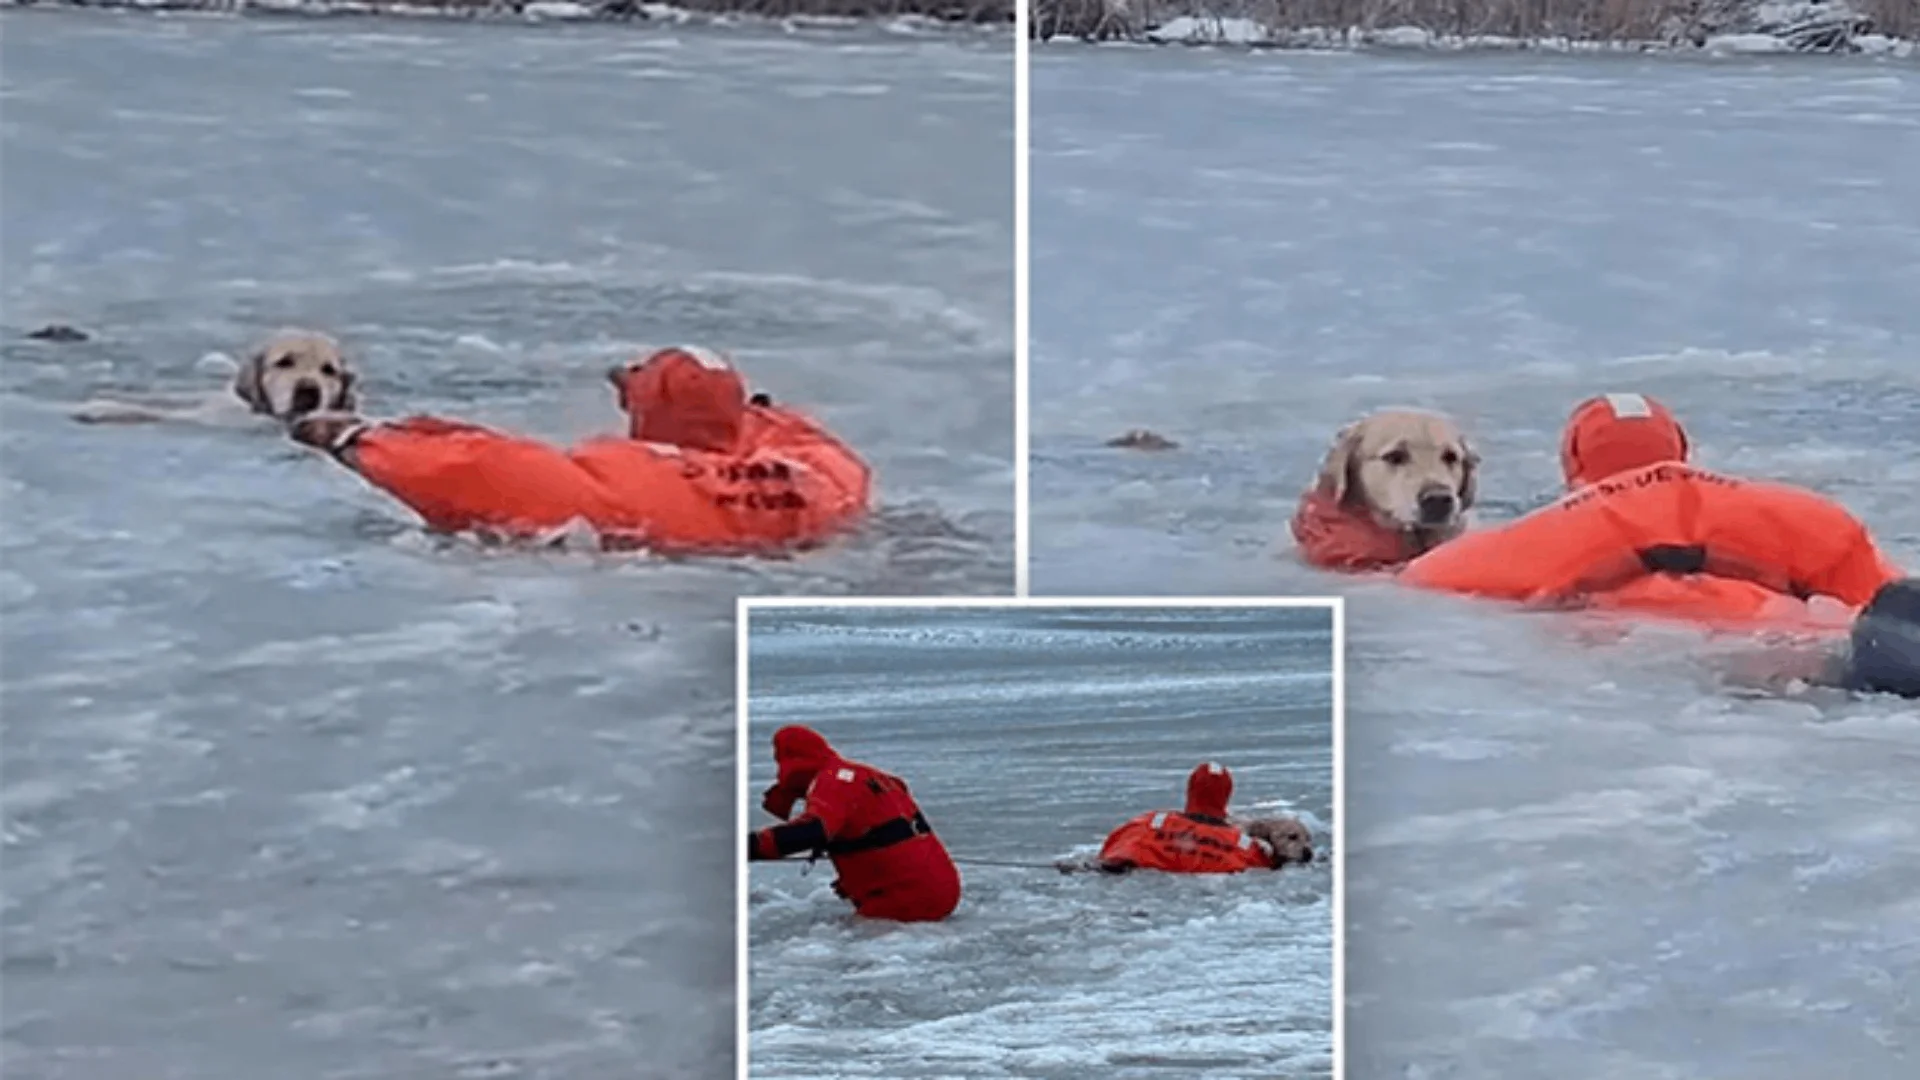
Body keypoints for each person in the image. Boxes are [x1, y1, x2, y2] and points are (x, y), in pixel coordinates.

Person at [287, 346, 869, 554]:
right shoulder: (817, 477)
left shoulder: (626, 480)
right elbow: (800, 438)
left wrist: (352, 437)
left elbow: (480, 470)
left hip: (653, 581)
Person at [1398, 392, 1905, 630]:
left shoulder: (1533, 539)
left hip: (1654, 652)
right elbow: (1889, 597)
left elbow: (1423, 583)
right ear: (1681, 449)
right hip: (1793, 631)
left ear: (1574, 465)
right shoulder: (1797, 513)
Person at [747, 725, 962, 923]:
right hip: (943, 890)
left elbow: (812, 831)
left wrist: (750, 846)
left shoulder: (833, 782)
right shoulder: (870, 775)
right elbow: (879, 828)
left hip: (904, 900)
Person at [1061, 762, 1312, 876]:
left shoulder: (1151, 822)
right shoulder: (1244, 846)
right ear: (1227, 795)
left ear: (1190, 789)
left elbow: (1116, 847)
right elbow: (1259, 867)